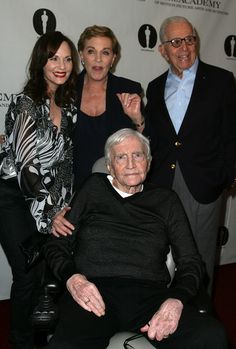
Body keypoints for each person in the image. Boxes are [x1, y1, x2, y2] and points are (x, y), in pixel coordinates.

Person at [43, 128, 227, 349]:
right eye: (121, 157)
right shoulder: (93, 188)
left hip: (150, 296)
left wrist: (176, 299)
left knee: (211, 337)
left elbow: (191, 261)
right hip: (94, 293)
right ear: (110, 166)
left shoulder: (166, 200)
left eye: (137, 155)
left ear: (148, 163)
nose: (131, 164)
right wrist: (73, 279)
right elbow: (57, 245)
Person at [145, 16, 236, 293]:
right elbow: (157, 138)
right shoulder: (155, 87)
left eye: (189, 39)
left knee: (200, 259)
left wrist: (226, 175)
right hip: (163, 184)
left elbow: (232, 132)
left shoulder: (221, 80)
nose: (184, 47)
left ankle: (200, 318)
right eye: (175, 42)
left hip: (204, 183)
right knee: (163, 257)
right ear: (163, 49)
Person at [0, 31, 79, 349]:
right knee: (28, 272)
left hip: (48, 200)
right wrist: (50, 216)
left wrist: (64, 206)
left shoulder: (69, 105)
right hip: (12, 197)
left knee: (50, 272)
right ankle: (20, 342)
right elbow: (27, 167)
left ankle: (42, 337)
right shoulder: (25, 104)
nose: (61, 65)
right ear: (40, 62)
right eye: (53, 58)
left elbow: (66, 163)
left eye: (67, 58)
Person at [72, 25, 144, 188]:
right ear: (81, 55)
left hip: (118, 188)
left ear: (113, 58)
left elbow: (146, 147)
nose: (98, 59)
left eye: (105, 52)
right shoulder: (66, 90)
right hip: (73, 188)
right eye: (91, 51)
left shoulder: (129, 90)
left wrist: (137, 119)